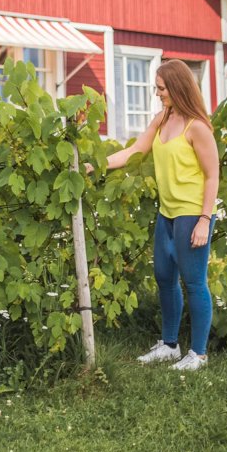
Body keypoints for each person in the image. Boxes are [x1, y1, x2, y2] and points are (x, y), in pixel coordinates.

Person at [86, 58, 219, 371]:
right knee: (164, 278)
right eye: (157, 88)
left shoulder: (197, 127)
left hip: (191, 214)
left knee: (195, 283)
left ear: (177, 87)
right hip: (167, 214)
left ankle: (198, 354)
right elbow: (135, 151)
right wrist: (98, 165)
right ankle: (170, 346)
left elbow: (213, 176)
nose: (157, 93)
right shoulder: (163, 118)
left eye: (161, 88)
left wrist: (204, 220)